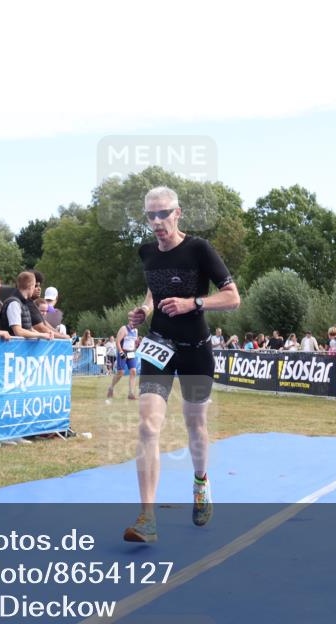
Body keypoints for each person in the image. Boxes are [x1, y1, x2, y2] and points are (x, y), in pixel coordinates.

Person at [123, 185, 240, 543]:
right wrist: (145, 309)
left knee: (195, 425)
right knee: (147, 426)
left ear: (178, 213)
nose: (157, 222)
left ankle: (201, 482)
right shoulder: (146, 253)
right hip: (159, 345)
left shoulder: (199, 249)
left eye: (164, 214)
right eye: (151, 215)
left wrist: (194, 303)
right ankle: (147, 517)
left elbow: (233, 298)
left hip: (195, 349)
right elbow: (153, 290)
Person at [0, 271, 53, 340]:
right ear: (30, 286)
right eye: (35, 286)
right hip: (12, 346)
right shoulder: (14, 303)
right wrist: (42, 335)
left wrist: (45, 334)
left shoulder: (23, 303)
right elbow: (18, 331)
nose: (35, 289)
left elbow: (28, 328)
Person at [107, 320, 140, 400]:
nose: (134, 324)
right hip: (123, 351)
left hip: (131, 352)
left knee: (133, 371)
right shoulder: (124, 329)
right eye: (133, 321)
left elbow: (134, 341)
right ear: (130, 321)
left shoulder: (136, 330)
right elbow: (117, 342)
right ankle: (111, 387)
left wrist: (135, 346)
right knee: (121, 372)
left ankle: (131, 394)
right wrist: (121, 352)